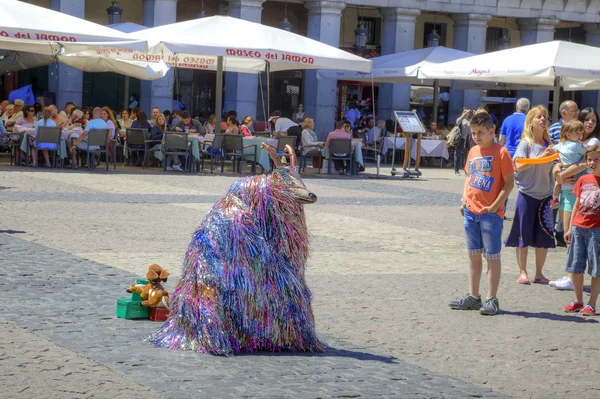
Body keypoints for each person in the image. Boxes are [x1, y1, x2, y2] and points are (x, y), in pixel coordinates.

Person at [448, 112, 514, 316]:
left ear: (492, 131)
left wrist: (495, 206)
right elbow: (469, 177)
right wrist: (464, 200)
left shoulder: (501, 152)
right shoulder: (473, 151)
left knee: (492, 256)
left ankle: (491, 298)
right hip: (470, 211)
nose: (476, 137)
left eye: (481, 133)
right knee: (473, 255)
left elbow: (509, 183)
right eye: (474, 133)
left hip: (490, 213)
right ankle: (473, 295)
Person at [504, 106, 556, 285]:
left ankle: (539, 273)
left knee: (544, 236)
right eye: (539, 117)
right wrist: (543, 156)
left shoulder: (549, 144)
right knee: (522, 234)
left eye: (545, 117)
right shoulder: (526, 143)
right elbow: (518, 165)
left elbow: (552, 168)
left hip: (546, 195)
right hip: (527, 194)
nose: (543, 120)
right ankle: (523, 271)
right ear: (530, 122)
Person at [550, 107, 600, 290]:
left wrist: (562, 175)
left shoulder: (591, 142)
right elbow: (558, 162)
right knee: (568, 231)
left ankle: (573, 276)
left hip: (582, 191)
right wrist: (558, 174)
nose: (590, 124)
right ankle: (571, 275)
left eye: (594, 121)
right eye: (587, 119)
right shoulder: (572, 140)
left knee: (573, 232)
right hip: (567, 189)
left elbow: (583, 164)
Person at [562, 145, 600, 316]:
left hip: (596, 231)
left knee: (596, 268)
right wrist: (569, 228)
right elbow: (577, 205)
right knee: (575, 267)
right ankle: (578, 301)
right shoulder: (583, 180)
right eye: (589, 159)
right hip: (578, 228)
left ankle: (592, 303)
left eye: (596, 159)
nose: (592, 162)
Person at [550, 120, 586, 219]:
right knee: (571, 189)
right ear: (568, 135)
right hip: (574, 169)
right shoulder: (577, 145)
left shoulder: (562, 144)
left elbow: (553, 148)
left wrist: (549, 149)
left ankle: (555, 199)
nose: (580, 136)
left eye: (581, 133)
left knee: (558, 184)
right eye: (577, 133)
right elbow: (586, 154)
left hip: (564, 168)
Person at [455, 108, 474, 174]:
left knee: (467, 154)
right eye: (465, 112)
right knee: (458, 154)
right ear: (462, 113)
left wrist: (475, 114)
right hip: (461, 139)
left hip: (468, 139)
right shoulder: (461, 119)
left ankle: (466, 169)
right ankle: (456, 169)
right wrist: (464, 114)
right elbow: (457, 122)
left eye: (467, 112)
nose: (467, 113)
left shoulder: (470, 120)